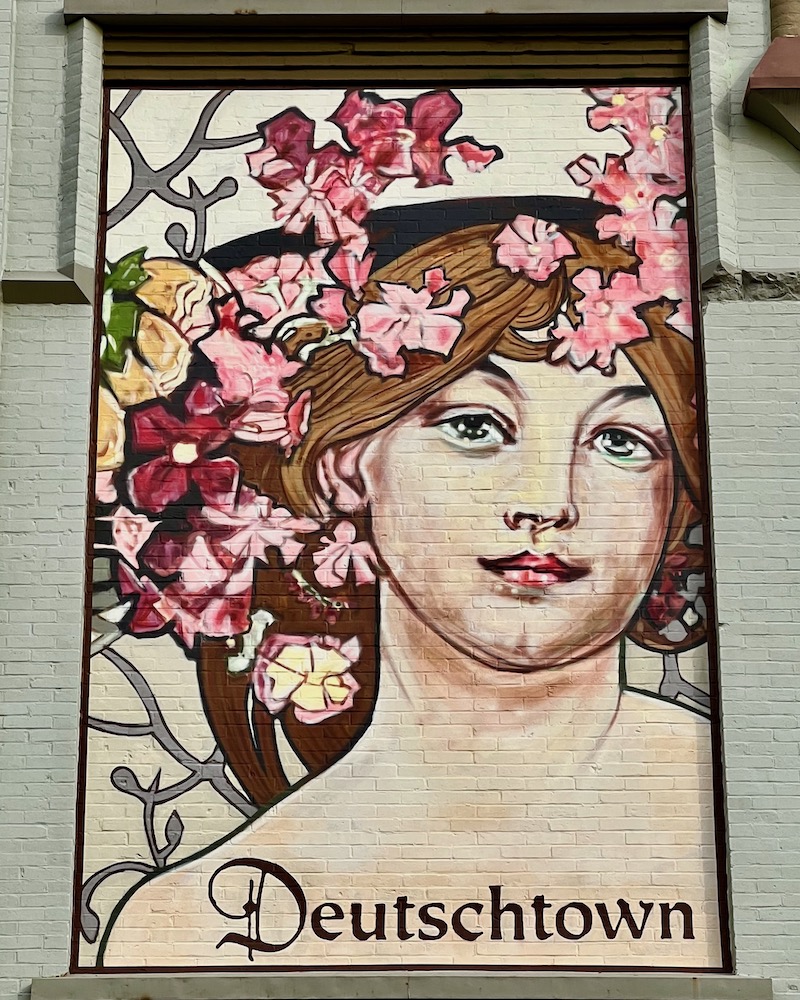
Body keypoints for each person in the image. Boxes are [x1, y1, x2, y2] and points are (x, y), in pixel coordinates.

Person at [99, 210, 722, 969]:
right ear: (346, 463)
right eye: (474, 426)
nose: (547, 501)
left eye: (621, 442)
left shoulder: (761, 829)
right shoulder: (198, 925)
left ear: (678, 497)